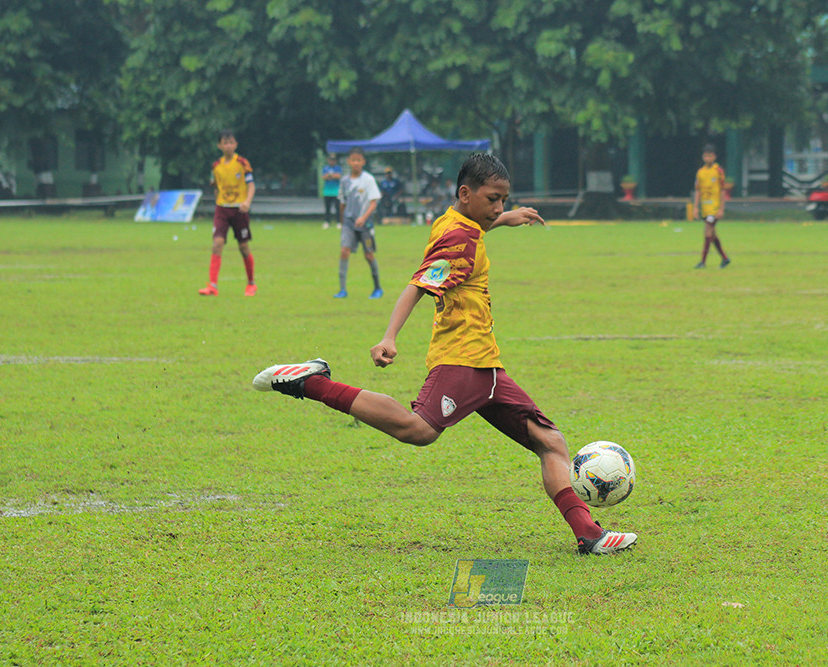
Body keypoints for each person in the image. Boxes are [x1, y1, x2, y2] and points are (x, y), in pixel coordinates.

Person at [253, 152, 637, 556]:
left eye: (504, 200)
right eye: (493, 200)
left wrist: (504, 219)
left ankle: (589, 534)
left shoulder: (460, 223)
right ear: (465, 193)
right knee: (417, 430)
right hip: (462, 360)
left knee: (550, 441)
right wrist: (390, 336)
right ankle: (311, 382)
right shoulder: (459, 237)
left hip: (486, 365)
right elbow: (419, 284)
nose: (499, 208)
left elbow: (475, 233)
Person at [199, 129, 256, 296]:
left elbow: (251, 185)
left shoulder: (243, 163)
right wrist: (219, 200)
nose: (228, 146)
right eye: (225, 143)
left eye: (231, 142)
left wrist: (247, 202)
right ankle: (213, 286)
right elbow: (215, 186)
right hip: (222, 209)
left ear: (236, 144)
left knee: (243, 247)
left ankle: (251, 283)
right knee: (217, 244)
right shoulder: (216, 167)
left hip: (239, 210)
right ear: (219, 145)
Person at [334, 147, 383, 299]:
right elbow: (342, 202)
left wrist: (363, 217)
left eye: (358, 160)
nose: (355, 163)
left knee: (369, 255)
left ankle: (377, 288)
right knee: (344, 251)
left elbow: (373, 202)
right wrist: (342, 222)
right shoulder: (344, 181)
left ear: (363, 162)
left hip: (365, 225)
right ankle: (342, 289)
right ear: (348, 162)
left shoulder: (368, 180)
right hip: (349, 223)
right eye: (353, 160)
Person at [691, 144, 730, 269]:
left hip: (714, 207)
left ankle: (702, 262)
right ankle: (724, 258)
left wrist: (721, 209)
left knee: (707, 231)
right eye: (705, 156)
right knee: (712, 235)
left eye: (710, 156)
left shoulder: (718, 171)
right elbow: (698, 190)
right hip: (705, 207)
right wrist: (696, 207)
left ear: (714, 157)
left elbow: (723, 190)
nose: (707, 158)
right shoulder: (700, 172)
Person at [321, 153, 342, 230]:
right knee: (327, 208)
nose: (332, 162)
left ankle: (339, 222)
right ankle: (327, 222)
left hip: (336, 191)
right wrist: (331, 176)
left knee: (338, 208)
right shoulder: (325, 168)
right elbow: (324, 177)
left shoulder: (338, 168)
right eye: (330, 160)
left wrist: (330, 176)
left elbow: (338, 176)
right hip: (327, 191)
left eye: (333, 160)